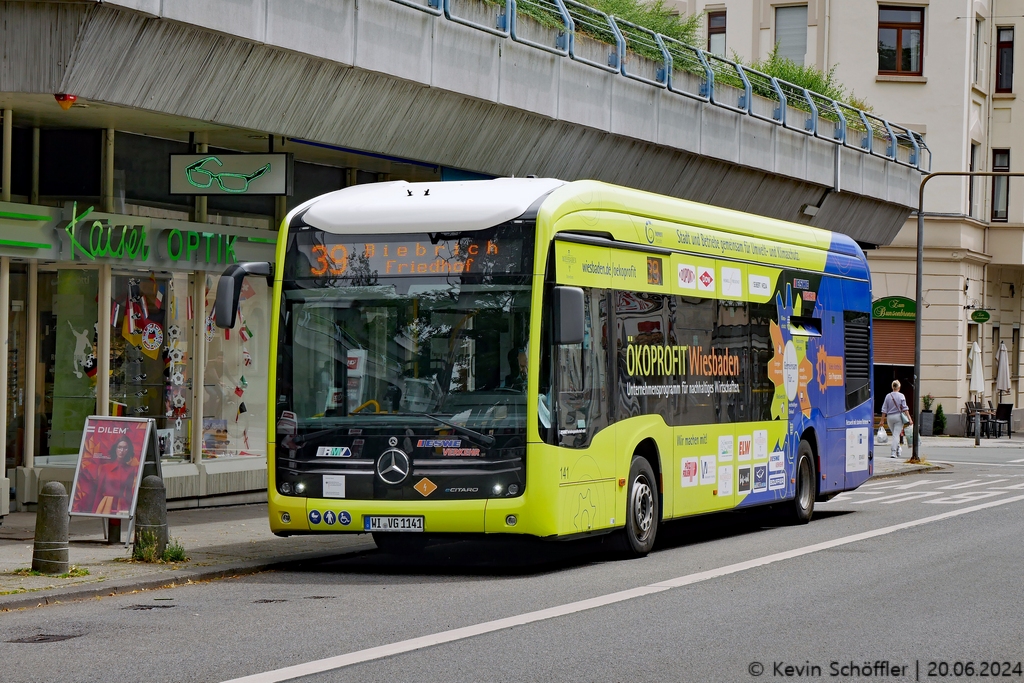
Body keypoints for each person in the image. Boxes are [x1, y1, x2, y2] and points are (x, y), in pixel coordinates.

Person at [74, 434, 141, 515]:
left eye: (125, 448)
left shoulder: (131, 469)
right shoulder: (105, 468)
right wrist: (94, 510)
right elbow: (99, 490)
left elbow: (129, 492)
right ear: (115, 449)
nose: (122, 451)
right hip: (106, 503)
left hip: (121, 503)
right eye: (119, 447)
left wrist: (132, 508)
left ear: (128, 450)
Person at [881, 380, 912, 458]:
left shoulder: (888, 396)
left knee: (895, 435)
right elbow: (905, 408)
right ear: (899, 387)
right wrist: (909, 419)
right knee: (896, 435)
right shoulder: (901, 396)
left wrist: (882, 420)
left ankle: (898, 448)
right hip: (898, 417)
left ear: (892, 387)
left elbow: (884, 409)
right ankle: (893, 452)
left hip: (890, 417)